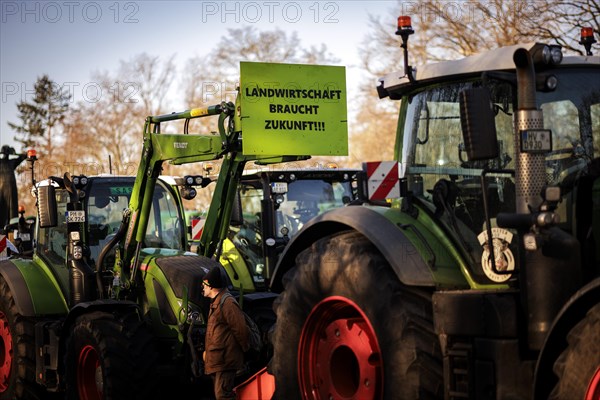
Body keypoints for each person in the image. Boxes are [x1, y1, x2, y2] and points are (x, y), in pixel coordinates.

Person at [202, 265, 249, 399]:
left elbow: (241, 330)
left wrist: (244, 352)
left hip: (225, 361)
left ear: (210, 285)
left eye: (204, 285)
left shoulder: (227, 303)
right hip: (218, 360)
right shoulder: (216, 302)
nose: (203, 288)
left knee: (223, 396)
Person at [0, 145, 26, 229]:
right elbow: (23, 157)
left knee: (12, 213)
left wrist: (15, 153)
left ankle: (12, 228)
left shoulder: (12, 162)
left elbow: (23, 156)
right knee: (2, 213)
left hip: (11, 190)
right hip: (2, 192)